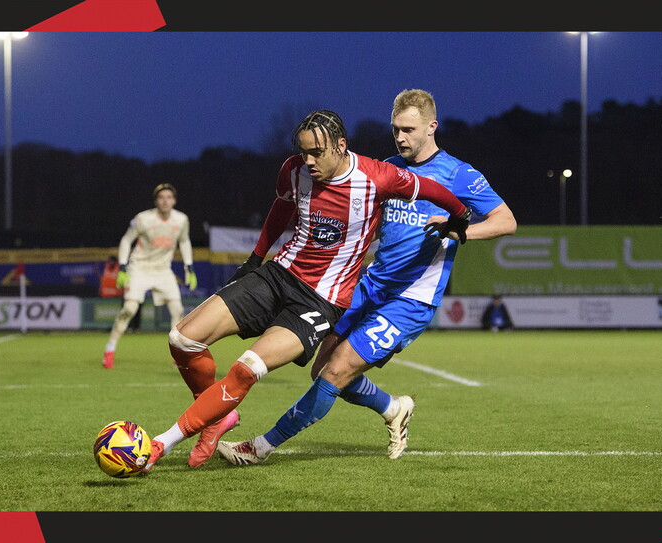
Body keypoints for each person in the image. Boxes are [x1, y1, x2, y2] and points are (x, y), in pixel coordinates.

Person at [141, 109, 473, 471]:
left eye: (317, 152)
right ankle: (215, 419)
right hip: (277, 276)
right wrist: (255, 260)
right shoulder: (293, 170)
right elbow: (280, 209)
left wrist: (459, 217)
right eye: (304, 152)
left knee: (247, 368)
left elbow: (434, 189)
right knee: (183, 339)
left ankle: (161, 443)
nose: (309, 161)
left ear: (341, 146)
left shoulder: (377, 177)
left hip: (320, 301)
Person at [217, 89, 517, 465]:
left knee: (338, 369)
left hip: (411, 299)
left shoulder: (459, 174)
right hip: (368, 285)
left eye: (409, 129)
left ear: (431, 127)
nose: (401, 137)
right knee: (321, 369)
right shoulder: (386, 170)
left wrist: (460, 231)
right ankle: (393, 408)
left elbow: (507, 222)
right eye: (396, 130)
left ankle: (260, 447)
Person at [102, 183, 197, 369]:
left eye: (169, 197)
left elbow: (184, 241)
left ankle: (178, 357)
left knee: (177, 309)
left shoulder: (181, 220)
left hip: (163, 270)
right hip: (139, 267)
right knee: (129, 309)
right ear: (156, 201)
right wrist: (122, 267)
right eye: (161, 197)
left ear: (174, 200)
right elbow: (126, 240)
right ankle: (110, 348)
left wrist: (189, 267)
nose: (165, 201)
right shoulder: (143, 219)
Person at [99, 255, 140, 332]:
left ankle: (133, 328)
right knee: (125, 312)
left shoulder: (129, 269)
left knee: (132, 311)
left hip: (133, 293)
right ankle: (124, 327)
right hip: (124, 294)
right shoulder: (122, 269)